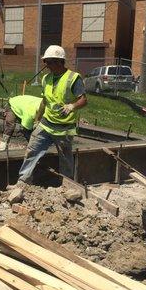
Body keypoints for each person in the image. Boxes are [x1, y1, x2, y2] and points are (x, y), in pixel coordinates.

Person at [14, 45, 87, 185]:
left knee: (65, 159)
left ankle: (67, 184)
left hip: (63, 128)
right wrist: (37, 120)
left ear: (59, 61)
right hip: (46, 124)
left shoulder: (73, 78)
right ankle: (23, 181)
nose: (46, 65)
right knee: (32, 151)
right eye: (45, 62)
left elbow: (83, 100)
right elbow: (45, 101)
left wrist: (72, 106)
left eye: (49, 62)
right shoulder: (46, 78)